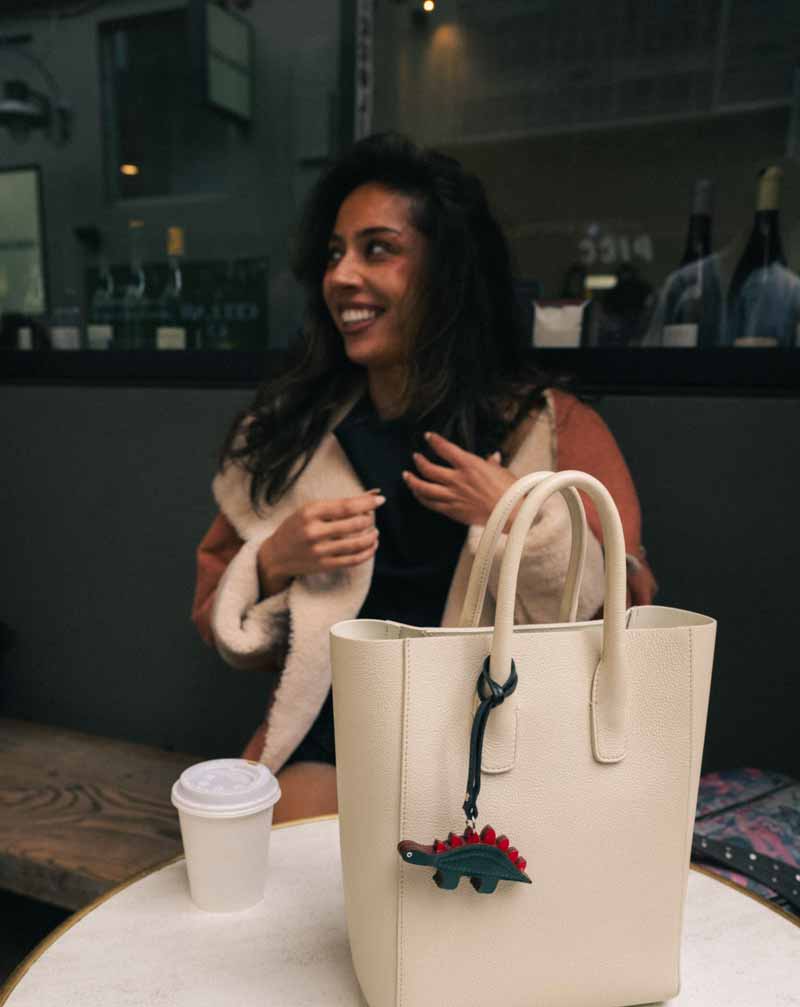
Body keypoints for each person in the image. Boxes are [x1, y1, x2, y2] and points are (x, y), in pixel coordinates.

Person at [192, 133, 656, 824]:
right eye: (334, 253)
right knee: (290, 878)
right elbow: (220, 619)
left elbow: (622, 612)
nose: (342, 276)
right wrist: (274, 561)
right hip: (335, 735)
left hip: (499, 744)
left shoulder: (550, 429)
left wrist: (522, 519)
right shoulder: (290, 437)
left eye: (378, 248)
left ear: (446, 271)